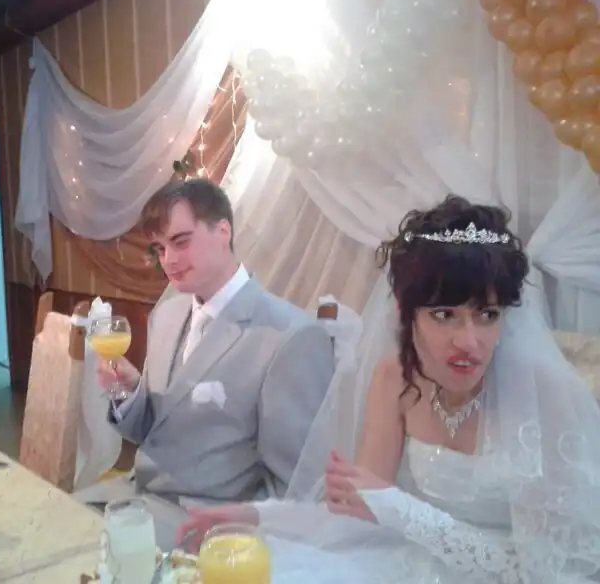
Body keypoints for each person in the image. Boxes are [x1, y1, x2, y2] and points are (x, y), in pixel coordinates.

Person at [179, 196, 600, 583]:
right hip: (407, 565)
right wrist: (257, 516)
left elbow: (544, 570)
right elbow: (358, 512)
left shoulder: (541, 395)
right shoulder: (396, 378)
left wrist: (401, 510)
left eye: (487, 314)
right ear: (405, 312)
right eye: (444, 315)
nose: (469, 341)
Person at [76, 178, 335, 544]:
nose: (169, 260)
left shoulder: (290, 336)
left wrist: (232, 542)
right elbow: (156, 431)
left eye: (181, 241)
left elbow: (295, 483)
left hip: (205, 524)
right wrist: (128, 393)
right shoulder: (166, 315)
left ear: (223, 231)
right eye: (160, 248)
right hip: (134, 495)